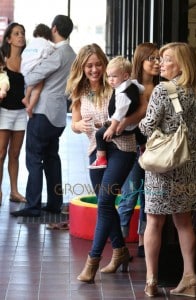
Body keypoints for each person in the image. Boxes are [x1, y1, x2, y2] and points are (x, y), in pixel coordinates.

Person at [66, 43, 145, 284]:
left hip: (122, 147)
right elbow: (75, 122)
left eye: (98, 64)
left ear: (105, 63)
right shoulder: (79, 91)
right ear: (82, 67)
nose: (94, 69)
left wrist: (122, 123)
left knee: (106, 201)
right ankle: (120, 252)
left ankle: (93, 261)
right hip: (95, 150)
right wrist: (77, 126)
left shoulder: (117, 83)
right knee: (105, 203)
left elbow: (141, 110)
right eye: (89, 66)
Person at [139, 42, 196, 297]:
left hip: (163, 165)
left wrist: (138, 122)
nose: (161, 63)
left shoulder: (163, 90)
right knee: (185, 223)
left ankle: (151, 280)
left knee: (154, 222)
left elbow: (147, 126)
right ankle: (190, 278)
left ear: (181, 64)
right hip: (189, 165)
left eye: (167, 59)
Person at [10, 15, 76, 217]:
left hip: (43, 112)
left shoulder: (57, 53)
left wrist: (28, 71)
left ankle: (32, 206)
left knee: (34, 159)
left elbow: (32, 76)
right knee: (51, 158)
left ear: (54, 28)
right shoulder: (72, 53)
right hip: (58, 115)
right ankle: (54, 204)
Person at [117, 43, 160, 257]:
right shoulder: (132, 88)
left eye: (159, 58)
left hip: (156, 151)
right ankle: (120, 245)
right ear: (140, 60)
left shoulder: (163, 88)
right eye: (151, 58)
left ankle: (143, 242)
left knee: (149, 197)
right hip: (134, 148)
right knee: (130, 195)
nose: (157, 63)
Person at [89, 55, 144, 169]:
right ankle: (143, 147)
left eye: (114, 76)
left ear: (125, 76)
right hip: (132, 126)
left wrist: (111, 129)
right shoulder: (132, 84)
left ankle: (101, 159)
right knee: (138, 131)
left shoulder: (122, 94)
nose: (111, 80)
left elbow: (119, 114)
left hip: (121, 126)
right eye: (109, 76)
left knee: (99, 134)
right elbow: (141, 88)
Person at [0, 22, 27, 206]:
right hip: (3, 112)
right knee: (0, 154)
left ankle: (14, 192)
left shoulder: (27, 60)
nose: (21, 36)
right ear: (9, 39)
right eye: (16, 33)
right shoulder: (1, 60)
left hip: (20, 113)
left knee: (15, 154)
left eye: (22, 33)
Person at [21, 23, 55, 118]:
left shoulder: (31, 43)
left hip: (24, 69)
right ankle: (29, 104)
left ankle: (27, 100)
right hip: (34, 70)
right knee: (37, 88)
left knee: (31, 84)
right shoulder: (45, 43)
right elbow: (51, 53)